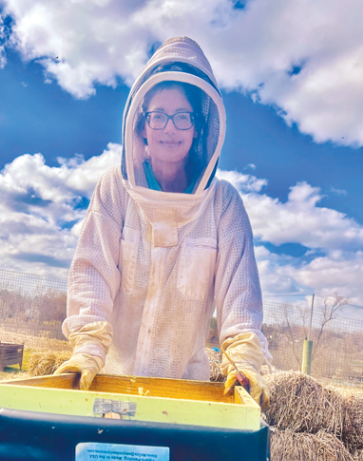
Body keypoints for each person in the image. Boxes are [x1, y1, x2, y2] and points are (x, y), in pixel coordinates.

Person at [55, 36, 271, 408]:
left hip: (185, 396)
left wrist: (245, 362)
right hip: (110, 389)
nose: (169, 128)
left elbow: (241, 299)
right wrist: (87, 349)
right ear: (141, 126)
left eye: (182, 116)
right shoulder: (115, 190)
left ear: (198, 128)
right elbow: (93, 274)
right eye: (158, 115)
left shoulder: (224, 205)